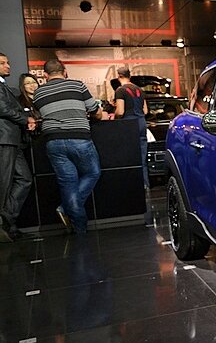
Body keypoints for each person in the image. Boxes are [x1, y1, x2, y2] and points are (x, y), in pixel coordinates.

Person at [32, 59, 103, 234]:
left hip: (53, 141)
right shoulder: (77, 85)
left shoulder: (38, 93)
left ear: (45, 75)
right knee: (92, 173)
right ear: (64, 72)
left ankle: (79, 228)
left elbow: (39, 115)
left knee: (68, 182)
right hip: (79, 138)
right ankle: (65, 209)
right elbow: (95, 111)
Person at [0, 54, 36, 242]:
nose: (7, 66)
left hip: (12, 139)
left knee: (24, 179)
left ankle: (6, 221)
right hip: (4, 139)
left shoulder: (4, 86)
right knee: (4, 184)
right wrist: (25, 119)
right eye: (2, 63)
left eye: (7, 62)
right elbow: (3, 109)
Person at [114, 66, 149, 189]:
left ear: (119, 76)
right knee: (142, 156)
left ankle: (132, 186)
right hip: (141, 123)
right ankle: (145, 184)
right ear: (130, 76)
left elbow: (120, 111)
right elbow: (145, 111)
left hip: (128, 125)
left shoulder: (120, 90)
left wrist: (114, 117)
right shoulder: (140, 90)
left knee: (128, 157)